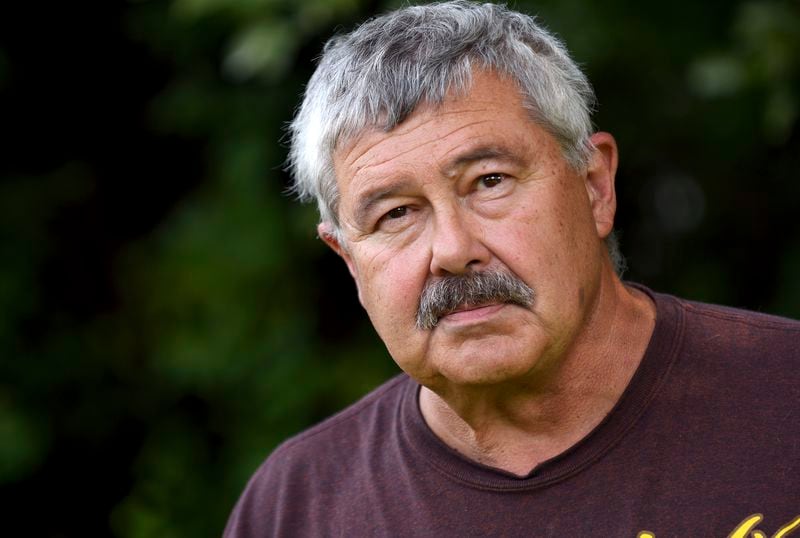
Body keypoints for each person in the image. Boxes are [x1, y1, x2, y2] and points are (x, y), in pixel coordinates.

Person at [224, 2, 800, 536]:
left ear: (595, 186)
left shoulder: (784, 401)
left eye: (489, 181)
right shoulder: (295, 508)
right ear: (349, 262)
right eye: (396, 213)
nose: (452, 249)